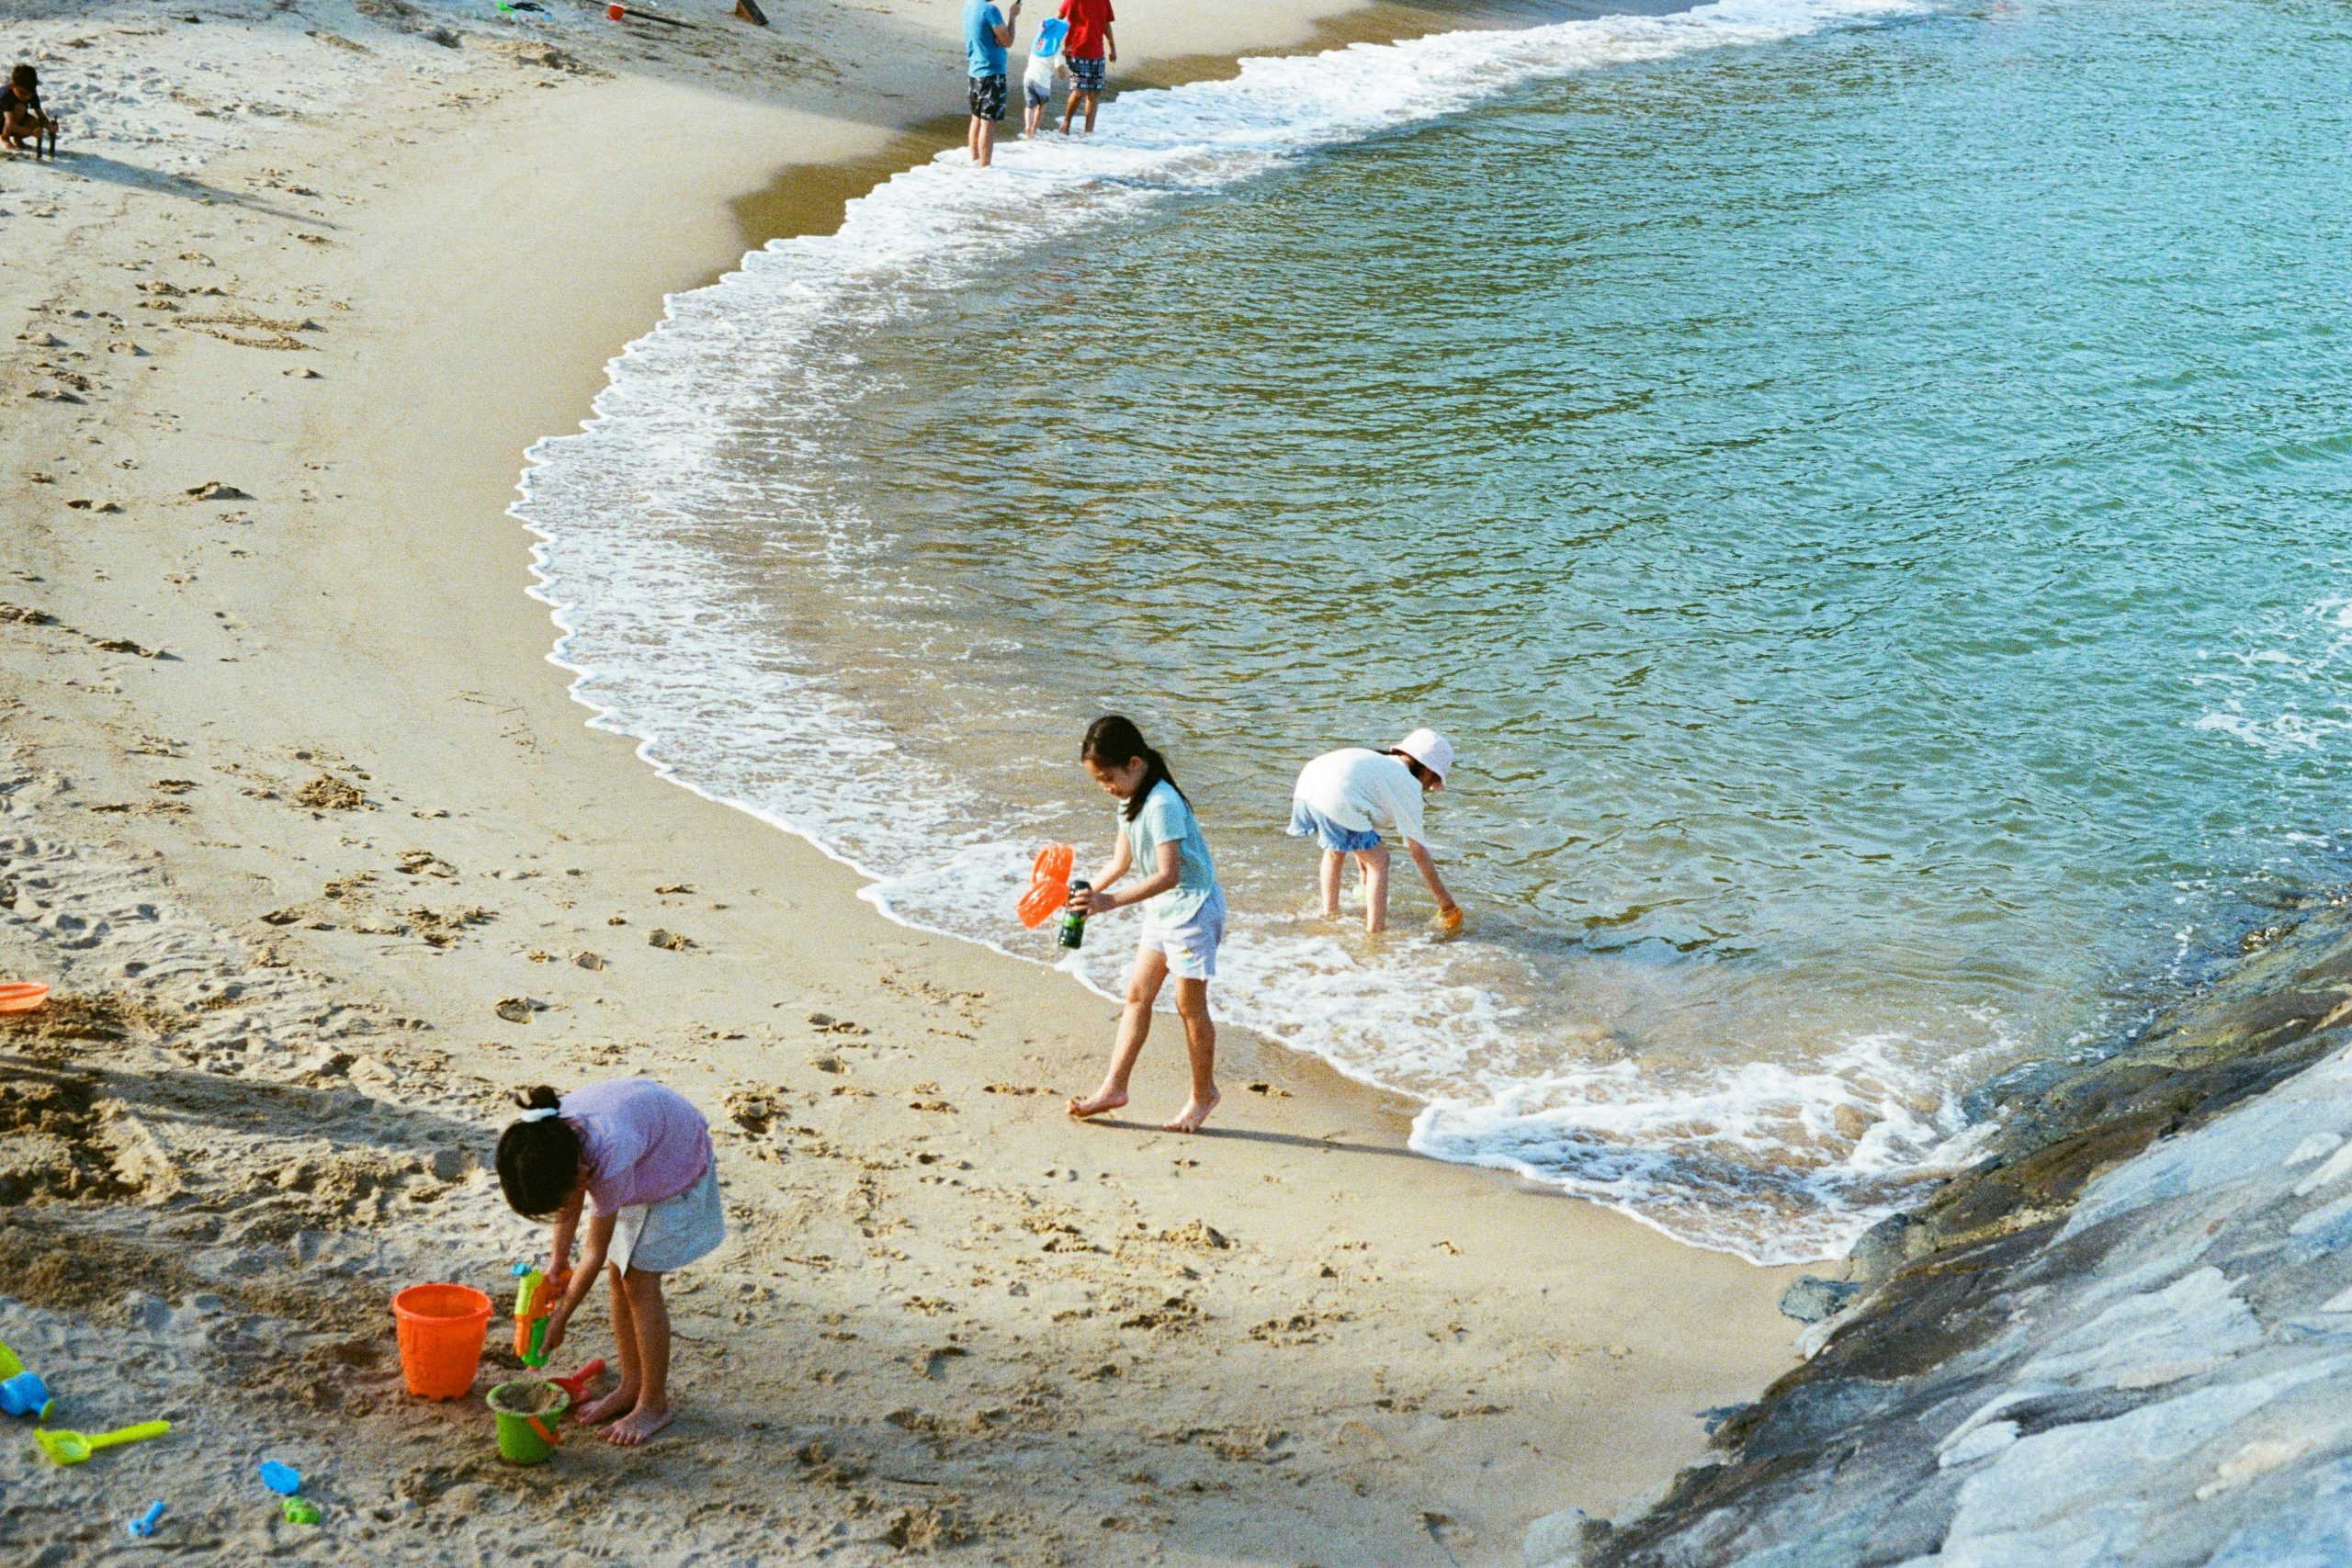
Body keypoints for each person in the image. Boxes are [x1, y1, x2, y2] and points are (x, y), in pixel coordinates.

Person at [496, 1079, 724, 1447]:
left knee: (639, 1281)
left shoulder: (610, 1153)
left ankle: (654, 1403)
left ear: (580, 1173)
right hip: (648, 1151)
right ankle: (631, 1386)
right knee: (619, 1275)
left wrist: (561, 1316)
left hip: (676, 1166)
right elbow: (568, 1207)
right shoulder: (554, 1138)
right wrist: (556, 1265)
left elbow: (593, 1253)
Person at [1066, 716, 1226, 1134]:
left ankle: (1202, 1095)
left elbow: (1169, 874)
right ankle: (1113, 1089)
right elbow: (1122, 861)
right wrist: (1085, 896)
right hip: (1163, 910)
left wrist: (1108, 902)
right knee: (1137, 995)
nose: (1106, 787)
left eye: (1108, 778)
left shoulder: (1162, 804)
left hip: (1192, 911)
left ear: (1134, 763)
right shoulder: (1130, 800)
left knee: (1189, 1007)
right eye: (1098, 781)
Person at [1288, 728, 1461, 935]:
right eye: (1433, 781)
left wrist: (1363, 871)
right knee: (1380, 860)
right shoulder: (1408, 783)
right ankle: (1375, 932)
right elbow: (1418, 851)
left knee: (1335, 852)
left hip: (1308, 786)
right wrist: (1446, 904)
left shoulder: (1380, 762)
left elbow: (1357, 818)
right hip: (1337, 796)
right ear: (1427, 771)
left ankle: (1330, 913)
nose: (1428, 788)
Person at [964, 0, 1021, 166]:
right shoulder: (990, 10)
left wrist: (996, 37)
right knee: (988, 123)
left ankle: (975, 162)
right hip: (991, 72)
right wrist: (1012, 16)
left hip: (975, 71)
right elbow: (1008, 41)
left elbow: (985, 33)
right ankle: (984, 168)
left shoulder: (969, 5)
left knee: (976, 119)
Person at [1056, 0, 1114, 135]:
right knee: (1079, 91)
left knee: (1094, 93)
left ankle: (1088, 132)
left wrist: (1112, 48)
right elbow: (1057, 20)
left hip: (1098, 53)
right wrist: (1055, 47)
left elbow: (1106, 25)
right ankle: (1066, 123)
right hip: (1076, 52)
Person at [1022, 14, 1068, 139]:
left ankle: (1028, 126)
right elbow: (1059, 66)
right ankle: (1035, 130)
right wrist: (1064, 75)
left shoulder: (1038, 44)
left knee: (1030, 106)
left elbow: (1045, 56)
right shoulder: (1056, 49)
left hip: (1028, 78)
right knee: (1041, 107)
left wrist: (1063, 52)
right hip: (1042, 82)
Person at [2, 65, 57, 160]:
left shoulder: (31, 93)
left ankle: (18, 139)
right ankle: (4, 138)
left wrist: (49, 127)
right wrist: (32, 133)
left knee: (35, 123)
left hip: (17, 120)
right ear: (13, 85)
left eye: (30, 93)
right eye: (23, 93)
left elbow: (41, 116)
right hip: (3, 121)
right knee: (19, 108)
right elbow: (10, 123)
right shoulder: (6, 95)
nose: (27, 97)